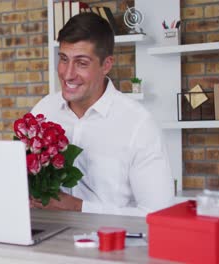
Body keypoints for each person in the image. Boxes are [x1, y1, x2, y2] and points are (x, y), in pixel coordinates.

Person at [30, 12, 174, 216]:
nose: (67, 73)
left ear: (106, 65)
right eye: (63, 59)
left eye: (81, 63)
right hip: (44, 238)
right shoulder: (44, 110)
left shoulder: (139, 125)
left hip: (111, 244)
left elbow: (158, 214)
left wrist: (78, 207)